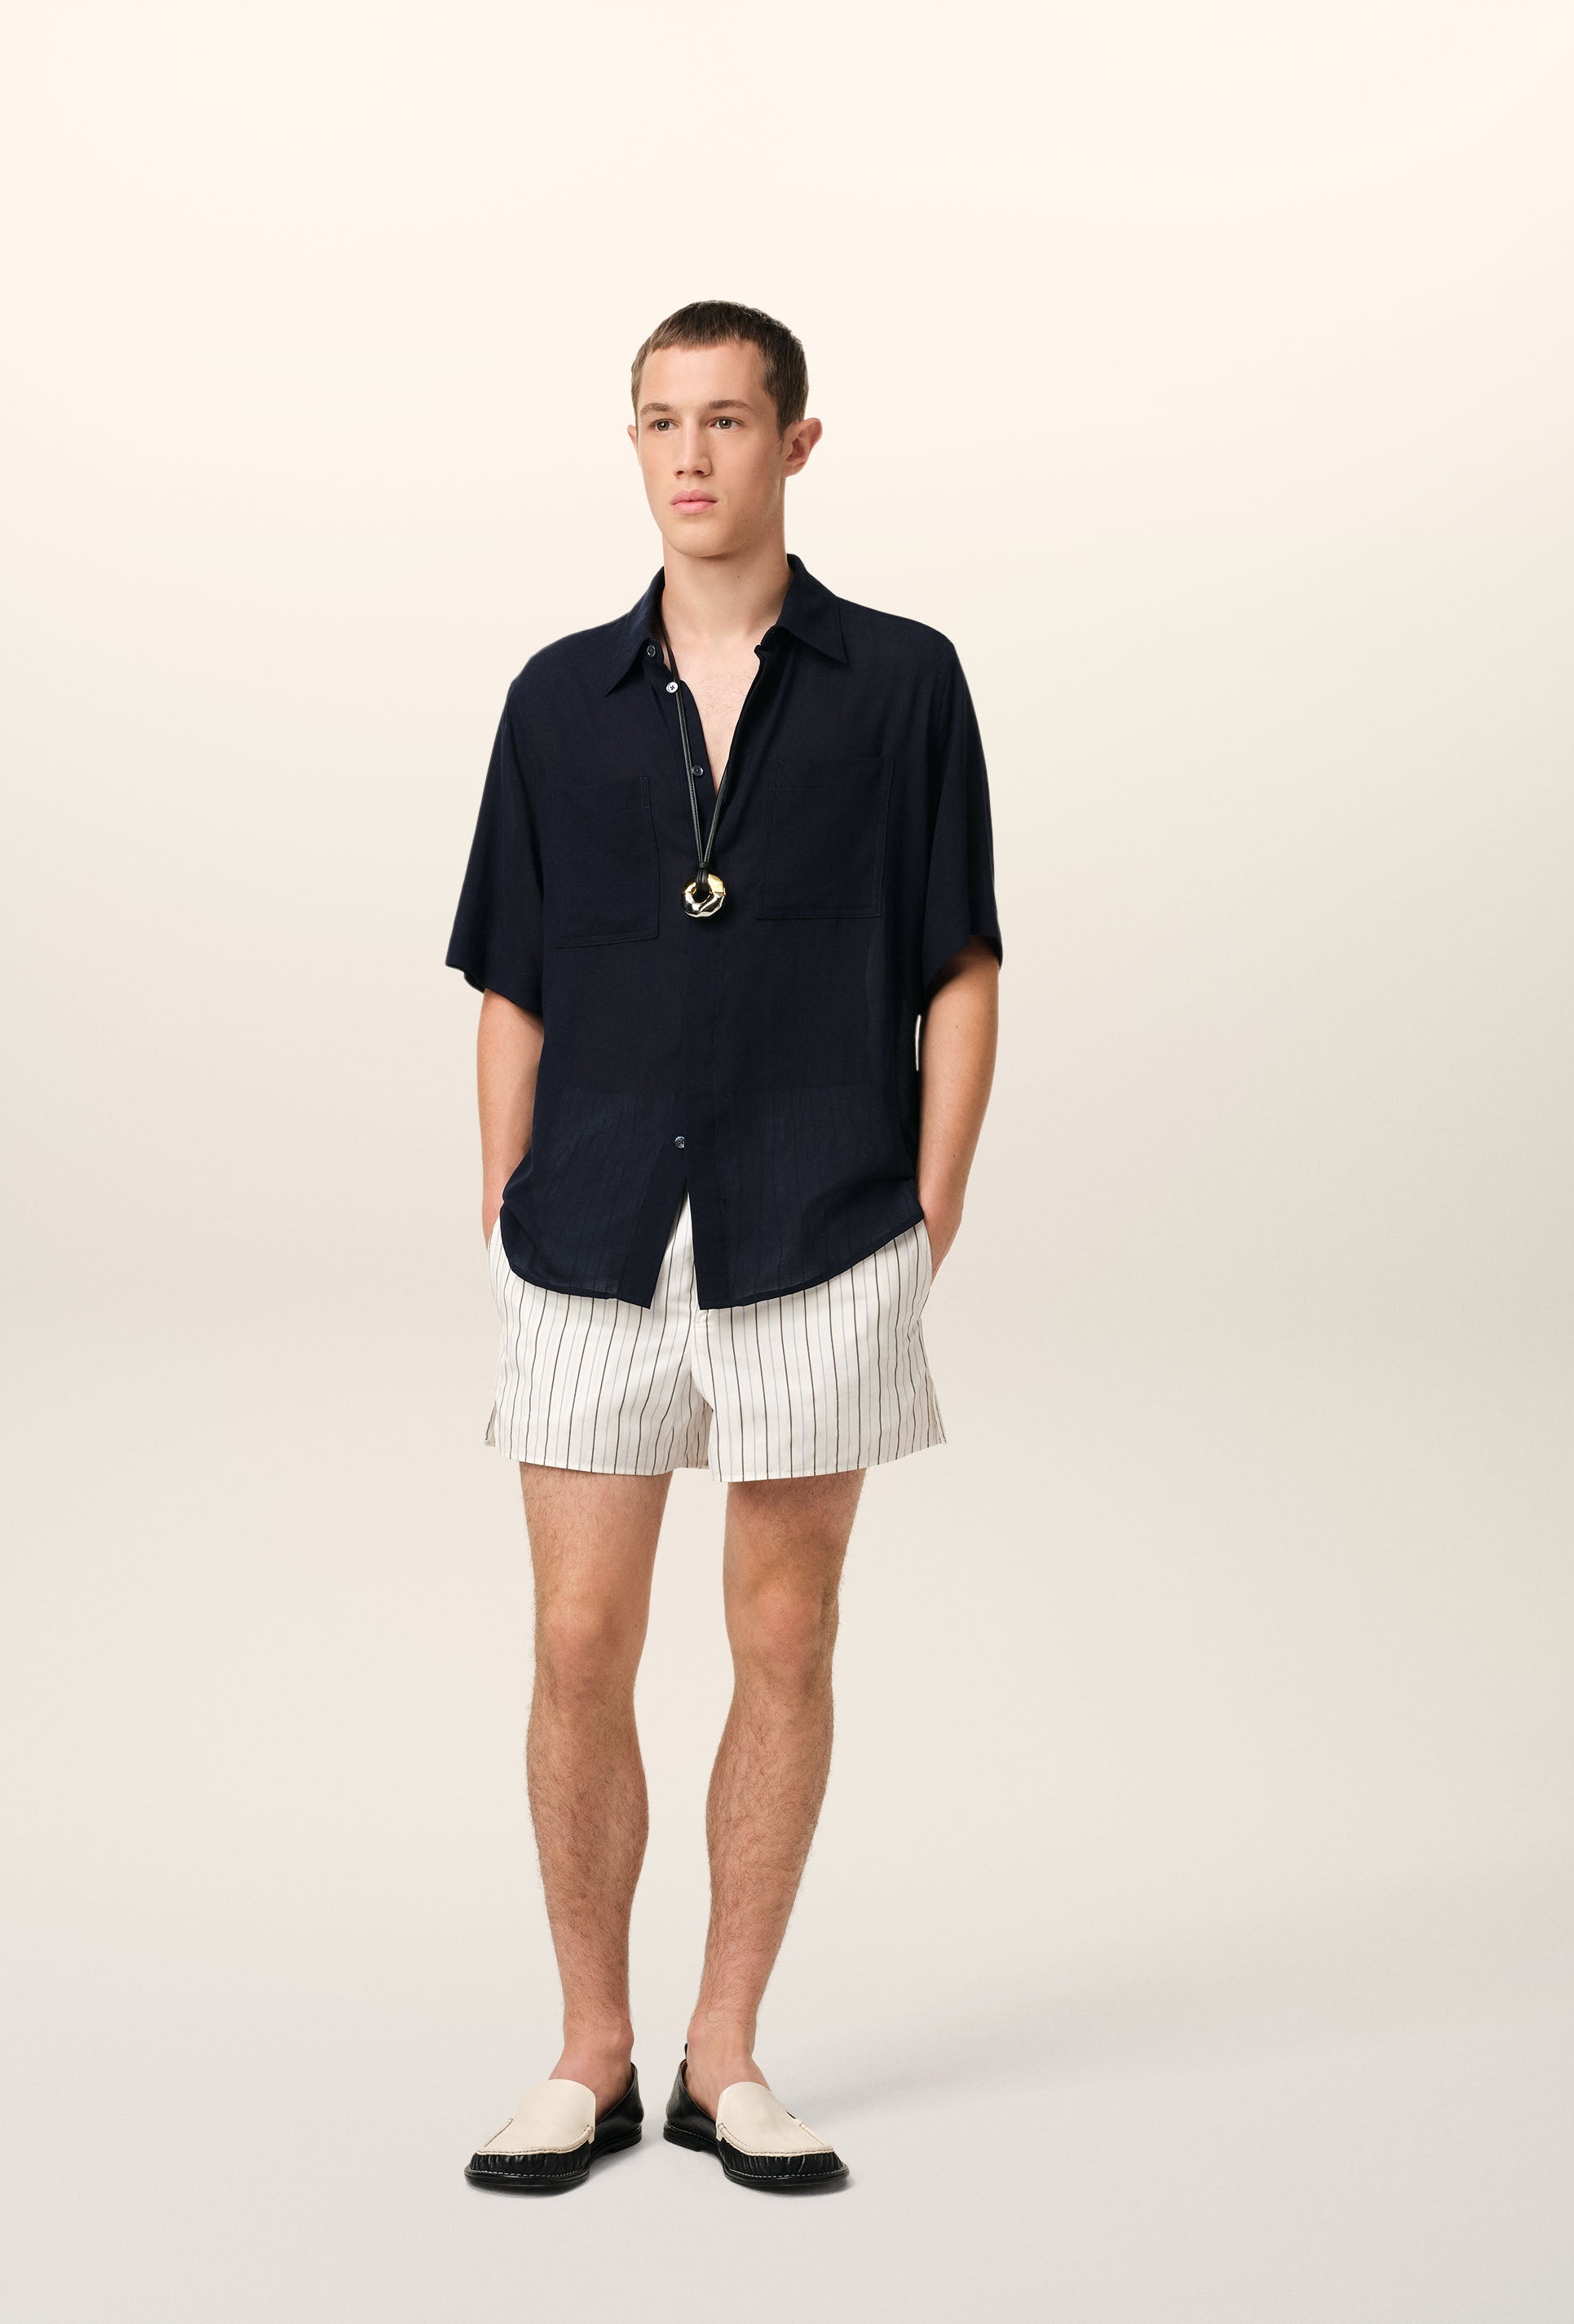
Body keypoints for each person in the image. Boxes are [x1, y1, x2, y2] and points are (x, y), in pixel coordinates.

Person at [446, 300, 1001, 2192]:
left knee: (785, 1631)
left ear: (797, 443)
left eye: (730, 421)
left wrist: (930, 1207)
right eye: (661, 423)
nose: (692, 456)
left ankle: (727, 2053)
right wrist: (506, 1186)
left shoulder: (904, 684)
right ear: (635, 445)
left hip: (821, 1222)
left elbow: (959, 960)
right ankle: (590, 2053)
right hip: (591, 1228)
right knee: (576, 1641)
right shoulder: (554, 699)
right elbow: (511, 977)